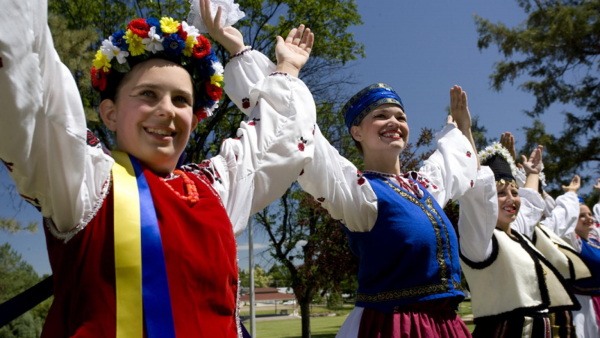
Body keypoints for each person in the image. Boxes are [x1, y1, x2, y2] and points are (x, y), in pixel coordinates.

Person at [0, 0, 316, 336]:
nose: (167, 109)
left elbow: (277, 140)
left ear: (194, 119)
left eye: (181, 100)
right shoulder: (85, 181)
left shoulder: (215, 188)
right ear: (109, 113)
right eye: (148, 94)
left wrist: (285, 67)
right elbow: (28, 81)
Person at [288, 79, 478, 335]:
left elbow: (461, 165)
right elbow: (305, 141)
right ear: (357, 132)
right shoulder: (359, 193)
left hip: (445, 325)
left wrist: (464, 128)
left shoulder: (424, 188)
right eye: (380, 115)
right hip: (394, 326)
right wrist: (286, 73)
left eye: (401, 117)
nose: (394, 122)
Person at [458, 143, 579, 338]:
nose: (511, 198)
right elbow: (476, 195)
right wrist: (465, 132)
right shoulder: (480, 240)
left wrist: (533, 173)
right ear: (486, 199)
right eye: (500, 193)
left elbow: (529, 203)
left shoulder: (517, 234)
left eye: (514, 192)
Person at [499, 133, 589, 338]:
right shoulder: (510, 229)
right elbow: (530, 204)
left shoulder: (544, 229)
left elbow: (549, 211)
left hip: (547, 311)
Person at [547, 177, 600, 338]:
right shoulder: (572, 242)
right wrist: (571, 194)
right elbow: (562, 220)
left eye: (590, 214)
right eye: (581, 216)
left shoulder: (594, 238)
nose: (589, 218)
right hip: (582, 306)